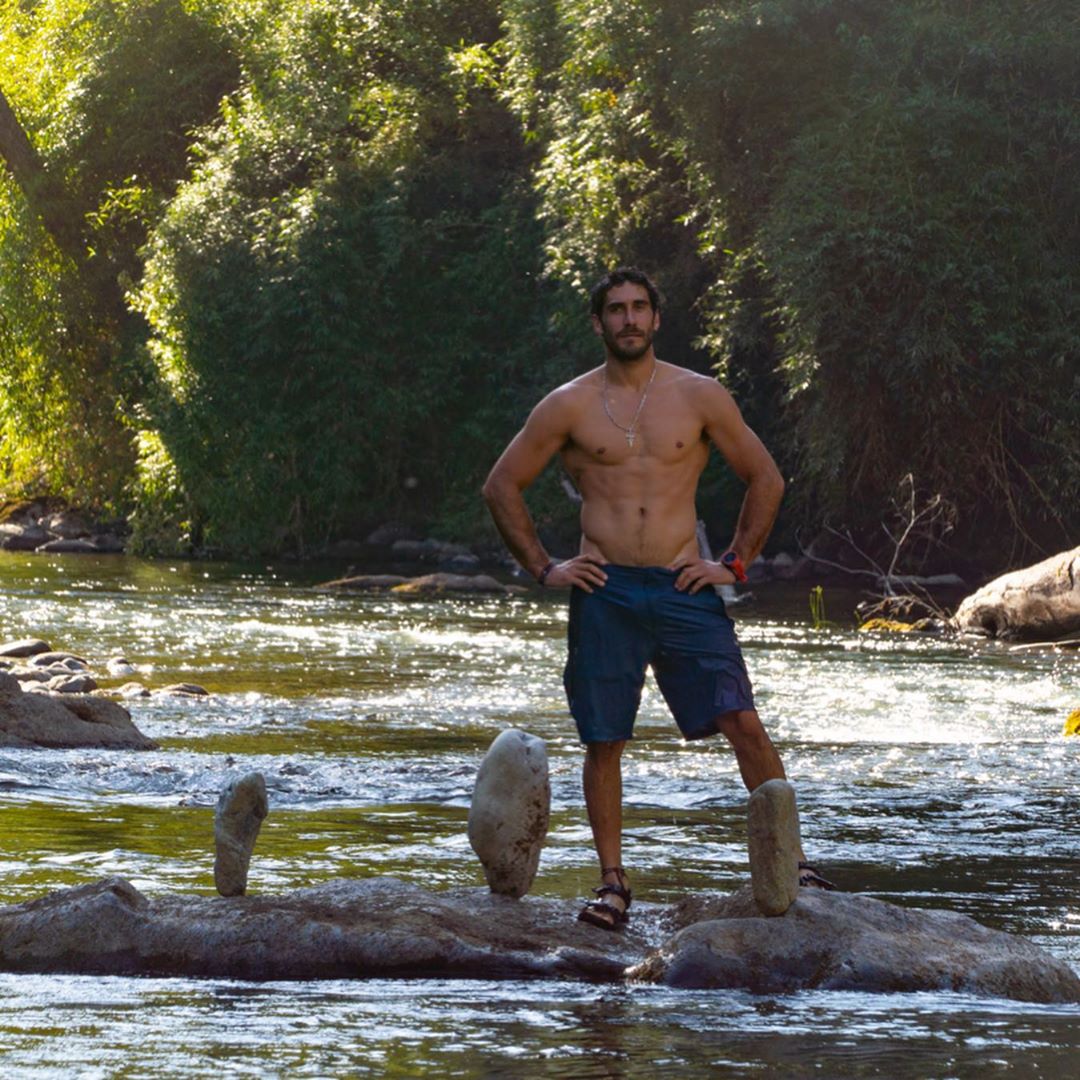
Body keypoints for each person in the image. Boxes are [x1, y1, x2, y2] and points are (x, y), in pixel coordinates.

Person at [481, 267, 831, 930]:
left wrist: (733, 564)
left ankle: (794, 863)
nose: (629, 319)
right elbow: (502, 485)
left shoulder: (699, 396)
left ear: (656, 318)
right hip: (605, 588)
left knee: (742, 719)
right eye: (616, 309)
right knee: (604, 738)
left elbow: (766, 478)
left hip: (682, 585)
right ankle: (613, 884)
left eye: (640, 307)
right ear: (598, 322)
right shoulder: (568, 405)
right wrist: (543, 567)